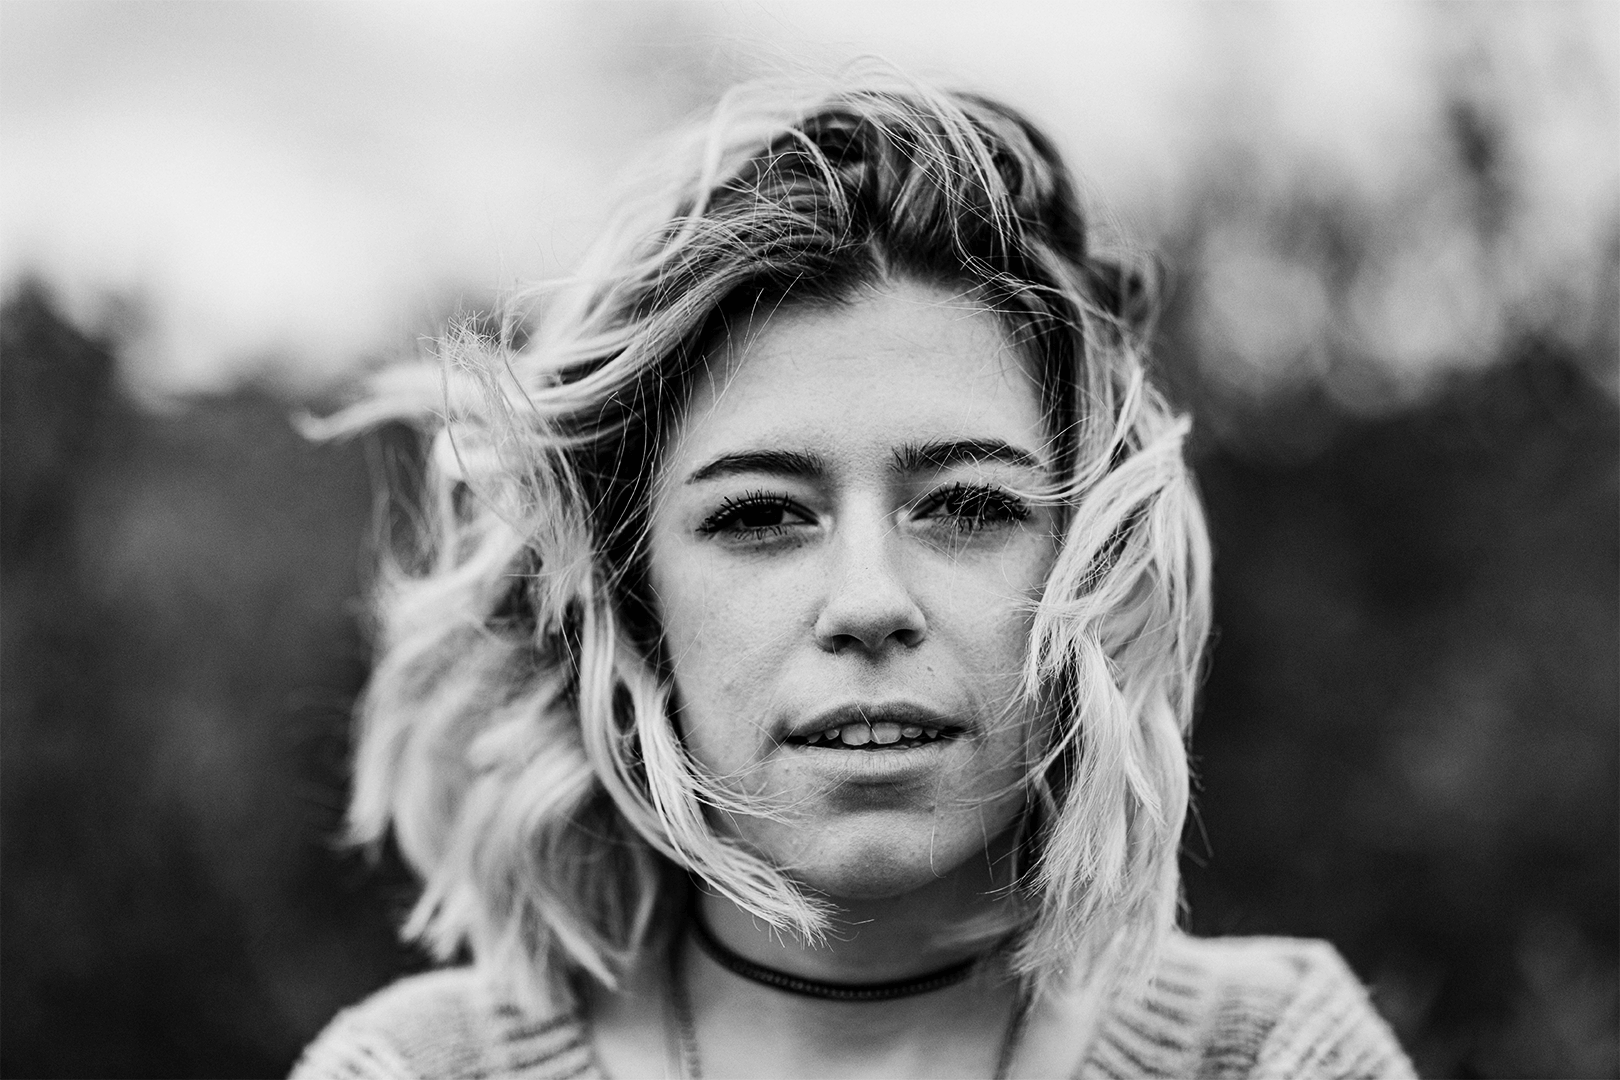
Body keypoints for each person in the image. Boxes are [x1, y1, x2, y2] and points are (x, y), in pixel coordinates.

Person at [293, 69, 1414, 1080]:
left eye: (968, 506)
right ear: (632, 600)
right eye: (761, 516)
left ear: (1092, 561)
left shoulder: (1274, 1057)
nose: (871, 602)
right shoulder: (408, 1070)